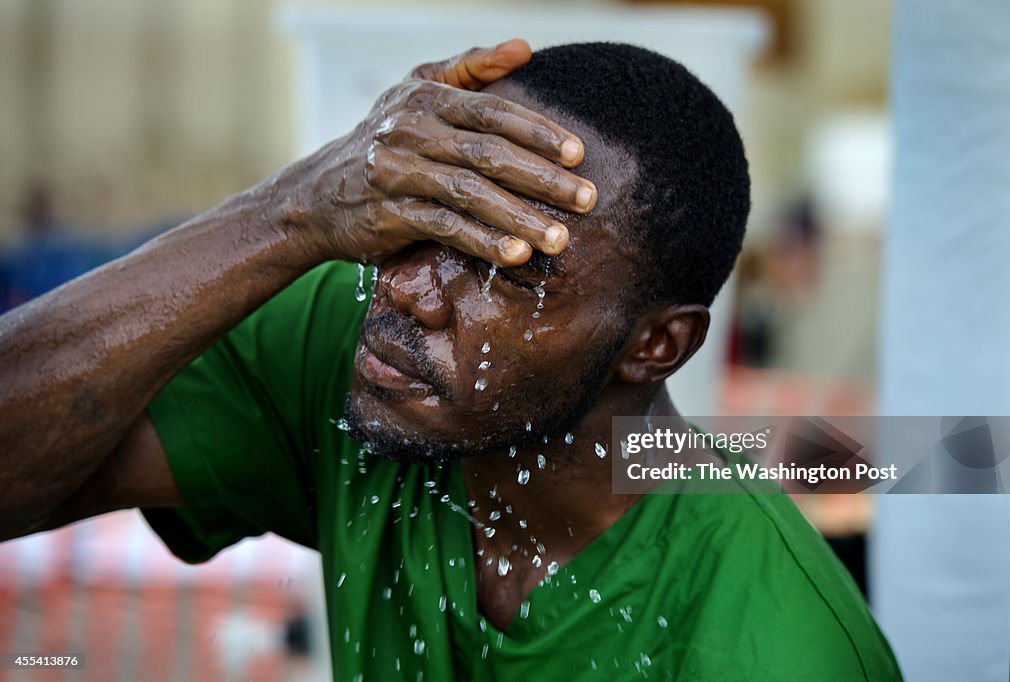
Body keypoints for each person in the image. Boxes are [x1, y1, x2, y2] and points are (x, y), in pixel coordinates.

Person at [0, 40, 902, 681]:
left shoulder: (768, 648)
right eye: (427, 224)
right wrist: (291, 209)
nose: (414, 293)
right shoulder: (357, 338)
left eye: (509, 273)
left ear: (655, 347)